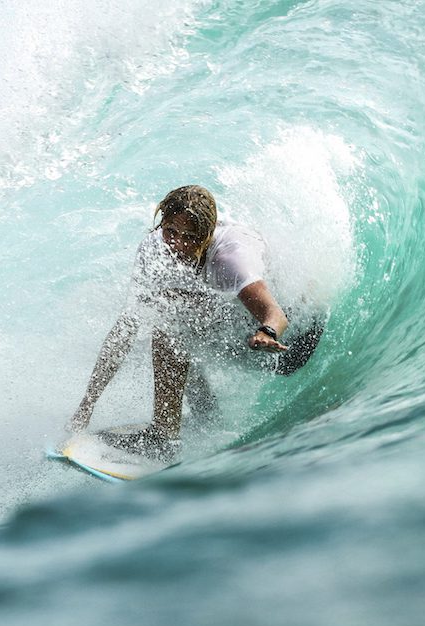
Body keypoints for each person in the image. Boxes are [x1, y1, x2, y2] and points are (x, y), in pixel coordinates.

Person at [68, 185, 323, 460]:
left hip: (290, 344)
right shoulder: (154, 249)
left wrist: (267, 331)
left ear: (207, 235)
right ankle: (206, 415)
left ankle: (164, 437)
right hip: (241, 331)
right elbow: (123, 332)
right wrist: (87, 405)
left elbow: (276, 313)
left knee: (169, 326)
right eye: (171, 232)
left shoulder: (230, 259)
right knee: (163, 309)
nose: (177, 244)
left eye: (190, 237)